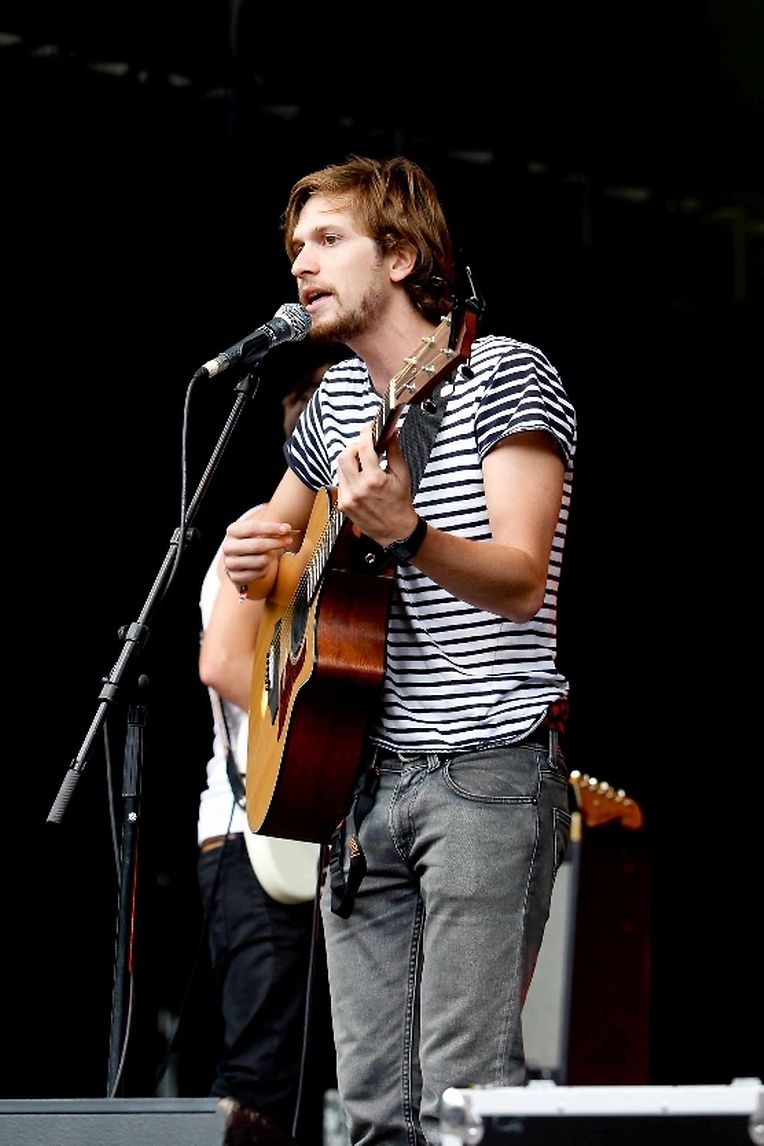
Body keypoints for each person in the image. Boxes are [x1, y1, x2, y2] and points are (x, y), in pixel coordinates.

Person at [221, 154, 577, 1146]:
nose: (302, 263)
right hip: (358, 782)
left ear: (402, 255)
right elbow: (278, 550)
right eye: (295, 247)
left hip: (484, 769)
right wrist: (253, 559)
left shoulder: (506, 373)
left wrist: (408, 533)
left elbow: (520, 579)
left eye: (329, 240)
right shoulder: (334, 401)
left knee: (462, 1099)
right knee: (374, 1112)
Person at [196, 356, 338, 1146]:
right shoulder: (268, 529)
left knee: (325, 1083)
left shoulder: (345, 539)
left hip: (314, 831)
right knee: (259, 1084)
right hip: (253, 835)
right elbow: (222, 663)